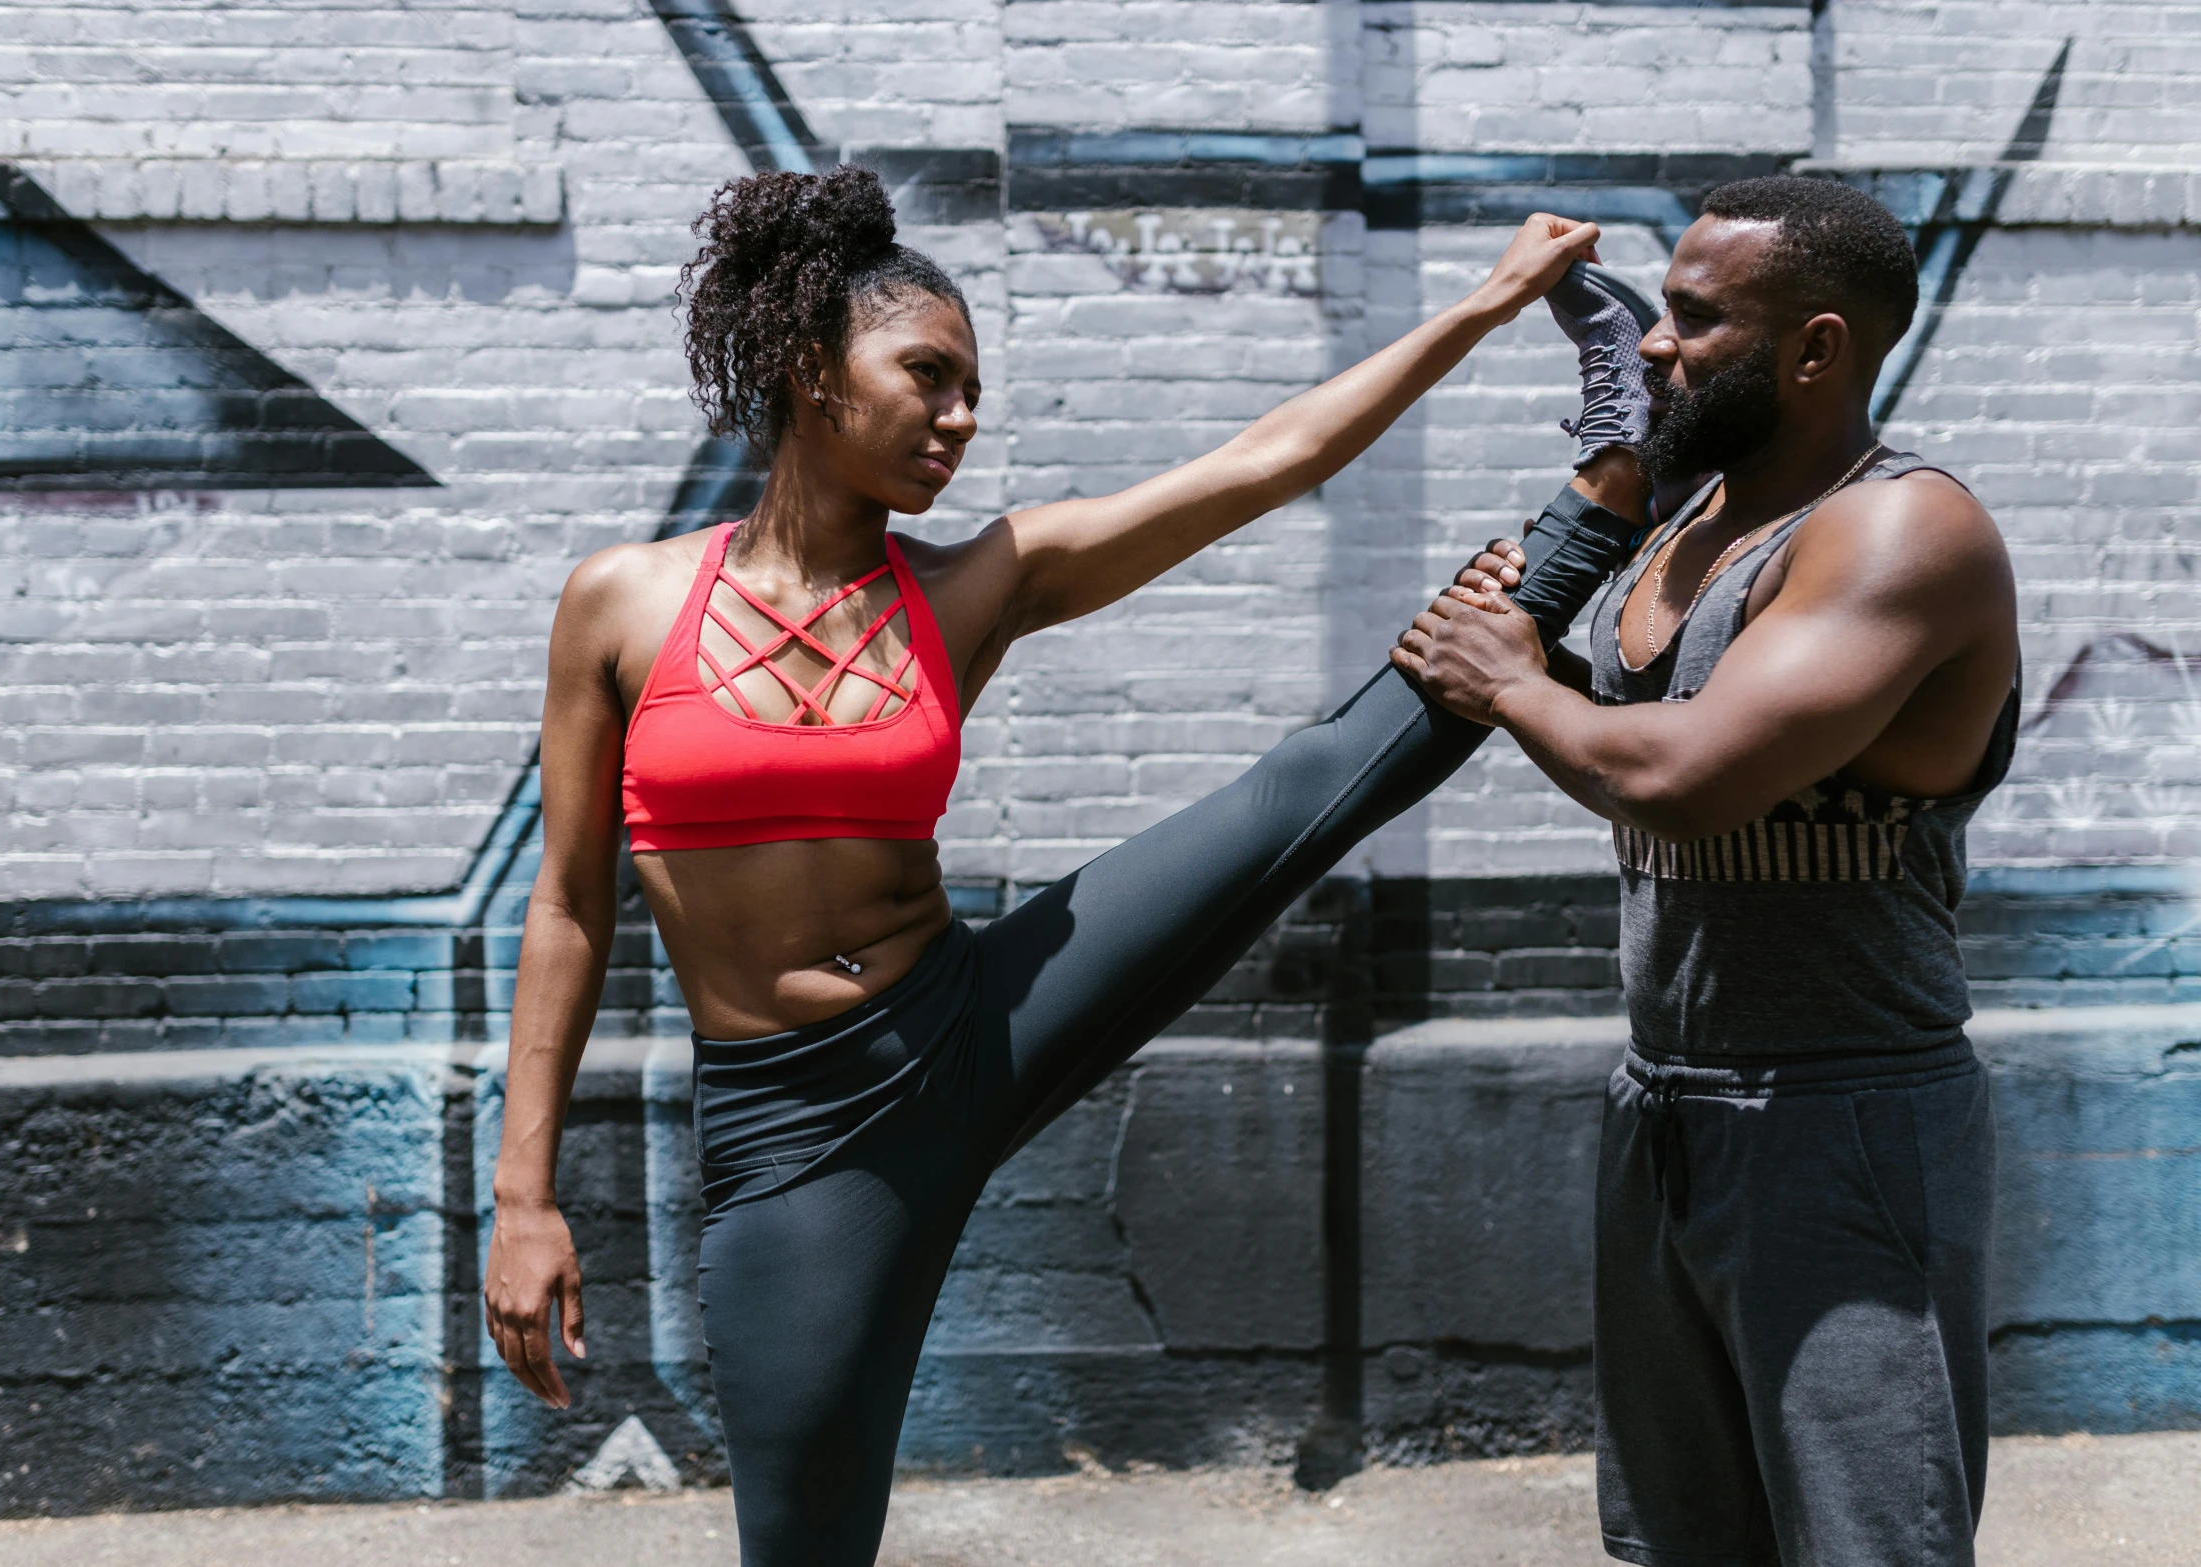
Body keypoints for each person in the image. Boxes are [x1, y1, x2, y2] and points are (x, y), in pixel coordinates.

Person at [482, 162, 1650, 1566]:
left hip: (972, 1019)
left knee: (1295, 793)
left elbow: (1262, 464)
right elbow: (567, 904)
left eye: (972, 389)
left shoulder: (975, 584)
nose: (961, 420)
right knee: (803, 1542)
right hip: (792, 1132)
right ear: (805, 365)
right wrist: (523, 1194)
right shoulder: (621, 600)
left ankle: (1607, 489)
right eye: (928, 374)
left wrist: (1490, 300)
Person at [1395, 176, 2021, 1567]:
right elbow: (1623, 716)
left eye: (1691, 318)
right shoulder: (1693, 520)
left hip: (1845, 1110)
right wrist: (1535, 646)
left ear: (1813, 350)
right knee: (1682, 1542)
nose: (1660, 345)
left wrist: (1511, 680)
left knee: (1867, 1541)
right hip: (1666, 1098)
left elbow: (1683, 778)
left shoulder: (1898, 532)